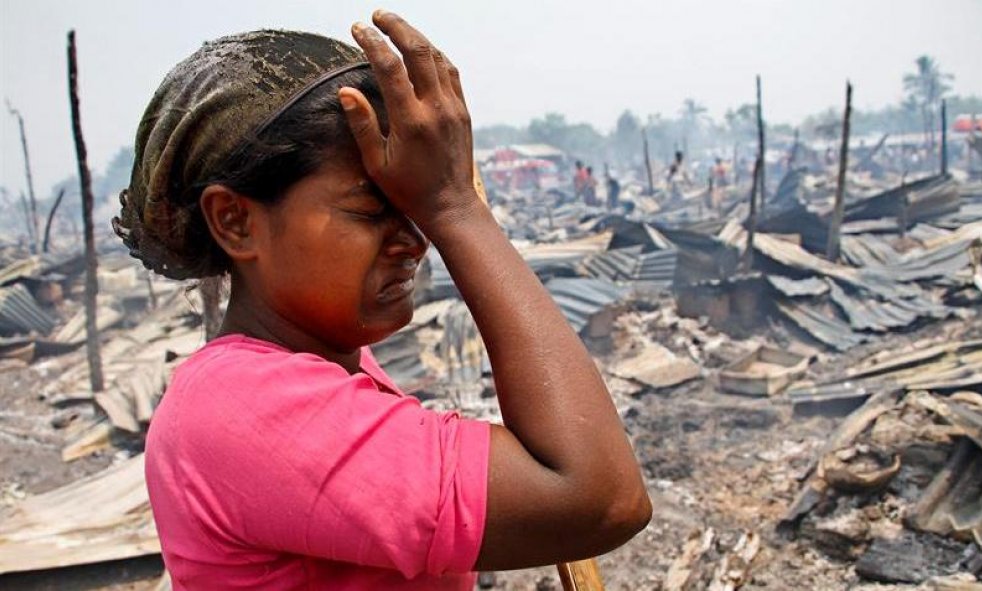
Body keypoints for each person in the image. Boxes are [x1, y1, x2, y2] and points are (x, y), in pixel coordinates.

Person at [113, 10, 650, 590]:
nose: (415, 243)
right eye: (372, 210)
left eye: (414, 210)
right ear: (235, 220)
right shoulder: (240, 408)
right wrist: (455, 208)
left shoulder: (334, 363)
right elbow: (601, 498)